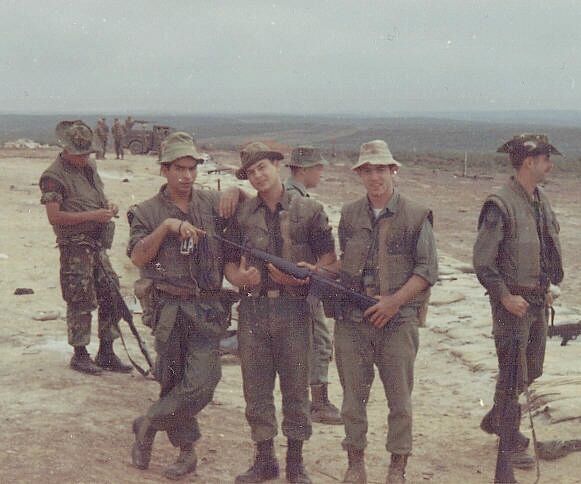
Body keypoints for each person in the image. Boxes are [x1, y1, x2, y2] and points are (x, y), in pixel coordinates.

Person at [127, 131, 244, 480]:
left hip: (207, 309)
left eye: (192, 168)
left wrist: (236, 190)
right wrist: (166, 227)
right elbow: (137, 256)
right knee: (172, 381)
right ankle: (186, 452)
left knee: (203, 383)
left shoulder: (210, 203)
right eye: (179, 168)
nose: (187, 176)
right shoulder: (147, 212)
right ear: (165, 169)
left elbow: (246, 212)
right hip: (169, 309)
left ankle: (148, 424)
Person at [224, 141, 337, 484]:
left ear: (277, 165)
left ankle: (296, 463)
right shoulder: (242, 214)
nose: (258, 176)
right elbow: (227, 261)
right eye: (251, 172)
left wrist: (307, 273)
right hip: (254, 309)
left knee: (295, 388)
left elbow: (330, 261)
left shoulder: (309, 210)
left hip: (294, 310)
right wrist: (239, 278)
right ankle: (264, 459)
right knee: (255, 388)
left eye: (263, 167)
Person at [334, 140, 438, 483]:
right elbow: (347, 262)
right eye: (367, 170)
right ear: (360, 174)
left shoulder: (416, 214)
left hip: (398, 320)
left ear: (393, 170)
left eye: (380, 169)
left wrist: (393, 302)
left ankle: (397, 466)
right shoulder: (349, 214)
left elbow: (426, 270)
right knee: (352, 399)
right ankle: (355, 463)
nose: (374, 176)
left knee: (400, 400)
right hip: (355, 318)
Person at [474, 133, 564, 469]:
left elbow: (542, 248)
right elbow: (483, 262)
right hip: (512, 304)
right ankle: (509, 440)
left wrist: (547, 286)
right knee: (512, 373)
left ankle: (498, 417)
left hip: (537, 301)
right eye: (545, 159)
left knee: (533, 368)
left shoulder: (539, 199)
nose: (549, 165)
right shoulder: (500, 204)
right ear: (529, 162)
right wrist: (505, 297)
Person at [39, 120, 132, 375]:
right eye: (79, 154)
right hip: (74, 246)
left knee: (111, 292)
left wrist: (108, 208)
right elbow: (55, 217)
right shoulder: (53, 176)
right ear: (65, 149)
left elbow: (97, 197)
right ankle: (80, 354)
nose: (84, 158)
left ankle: (107, 351)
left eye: (87, 153)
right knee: (80, 297)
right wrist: (93, 216)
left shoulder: (89, 168)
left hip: (97, 244)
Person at [284, 145, 342, 425]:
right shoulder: (301, 202)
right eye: (318, 167)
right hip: (302, 283)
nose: (321, 172)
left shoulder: (287, 196)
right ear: (304, 169)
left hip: (292, 282)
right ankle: (318, 403)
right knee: (319, 340)